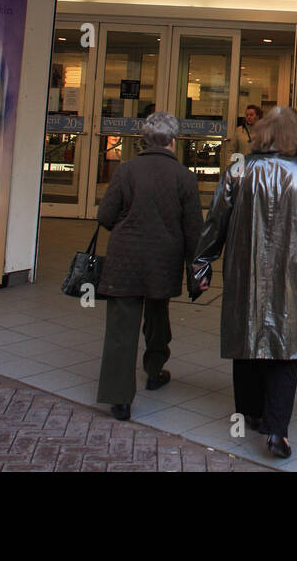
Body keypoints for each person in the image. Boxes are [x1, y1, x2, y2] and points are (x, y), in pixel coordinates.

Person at [191, 106, 297, 459]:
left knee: (248, 335)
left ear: (261, 133)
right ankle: (277, 430)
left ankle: (251, 411)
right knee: (287, 350)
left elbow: (216, 221)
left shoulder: (239, 170)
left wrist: (203, 261)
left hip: (248, 271)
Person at [95, 112, 204, 422]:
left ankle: (119, 399)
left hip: (124, 260)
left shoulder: (126, 170)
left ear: (145, 139)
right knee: (158, 318)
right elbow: (194, 230)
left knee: (120, 328)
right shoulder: (185, 177)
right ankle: (154, 371)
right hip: (163, 261)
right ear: (173, 140)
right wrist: (197, 269)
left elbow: (105, 215)